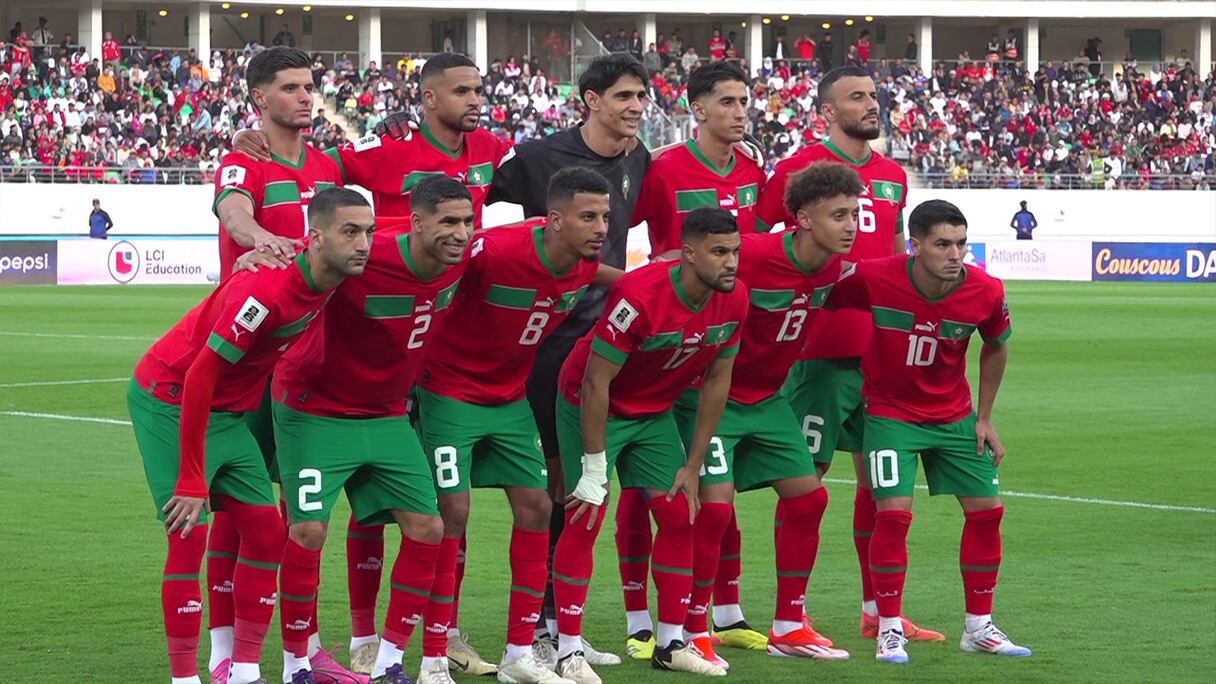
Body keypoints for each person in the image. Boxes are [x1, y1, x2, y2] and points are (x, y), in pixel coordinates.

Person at [127, 187, 371, 684]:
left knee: (265, 531)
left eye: (367, 231)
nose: (363, 243)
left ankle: (243, 671)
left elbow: (407, 233)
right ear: (316, 238)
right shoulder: (266, 291)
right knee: (188, 531)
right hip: (170, 399)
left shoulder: (330, 263)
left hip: (227, 413)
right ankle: (184, 678)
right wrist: (192, 480)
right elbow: (199, 376)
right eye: (351, 232)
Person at [757, 65, 945, 644]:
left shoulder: (892, 176)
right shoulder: (796, 170)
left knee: (880, 486)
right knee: (805, 485)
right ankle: (791, 614)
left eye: (873, 95)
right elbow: (764, 247)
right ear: (827, 111)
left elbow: (897, 255)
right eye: (856, 96)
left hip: (881, 354)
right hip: (818, 352)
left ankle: (878, 612)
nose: (870, 103)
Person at [416, 168, 619, 684]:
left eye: (605, 216)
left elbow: (599, 275)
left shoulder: (582, 265)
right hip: (449, 390)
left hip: (509, 398)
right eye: (589, 216)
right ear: (554, 220)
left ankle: (517, 655)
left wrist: (650, 277)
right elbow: (433, 255)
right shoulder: (495, 251)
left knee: (537, 507)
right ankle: (434, 656)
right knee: (452, 513)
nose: (601, 227)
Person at [270, 176, 473, 684]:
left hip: (385, 413)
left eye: (468, 222)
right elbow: (310, 253)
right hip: (314, 408)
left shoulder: (464, 255)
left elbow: (523, 239)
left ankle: (389, 663)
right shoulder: (362, 254)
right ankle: (297, 664)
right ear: (418, 223)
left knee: (428, 527)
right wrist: (262, 249)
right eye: (449, 221)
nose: (461, 232)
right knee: (307, 530)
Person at [486, 53, 652, 669]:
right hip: (539, 343)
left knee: (576, 489)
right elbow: (475, 210)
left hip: (598, 343)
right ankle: (535, 629)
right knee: (550, 489)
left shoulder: (639, 159)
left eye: (641, 97)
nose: (636, 107)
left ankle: (558, 628)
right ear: (591, 100)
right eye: (625, 96)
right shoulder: (536, 158)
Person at [674, 162, 866, 669]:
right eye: (839, 215)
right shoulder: (752, 255)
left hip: (767, 399)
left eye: (854, 213)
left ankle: (788, 625)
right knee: (714, 509)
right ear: (802, 218)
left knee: (809, 499)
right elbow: (677, 272)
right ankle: (693, 629)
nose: (851, 225)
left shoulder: (834, 267)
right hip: (708, 397)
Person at [207, 46, 358, 684]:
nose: (305, 96)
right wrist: (260, 238)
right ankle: (222, 655)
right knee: (238, 510)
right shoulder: (243, 160)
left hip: (312, 362)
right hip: (250, 359)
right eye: (290, 87)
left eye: (309, 85)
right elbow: (233, 213)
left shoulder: (329, 165)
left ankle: (304, 651)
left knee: (305, 513)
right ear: (259, 98)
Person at [823, 199, 1030, 664]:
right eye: (942, 244)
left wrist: (984, 417)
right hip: (890, 415)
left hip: (954, 415)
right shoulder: (875, 277)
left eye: (961, 243)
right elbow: (821, 295)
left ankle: (979, 627)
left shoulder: (986, 290)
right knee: (893, 516)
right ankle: (888, 628)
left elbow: (996, 346)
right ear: (915, 245)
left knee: (987, 513)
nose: (955, 254)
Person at [552, 207, 747, 683]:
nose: (731, 263)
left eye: (735, 252)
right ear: (689, 253)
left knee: (680, 514)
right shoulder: (640, 296)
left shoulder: (735, 298)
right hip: (591, 403)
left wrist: (694, 463)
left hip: (653, 411)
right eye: (719, 252)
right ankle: (568, 650)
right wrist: (593, 468)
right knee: (586, 515)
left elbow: (717, 380)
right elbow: (596, 380)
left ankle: (670, 643)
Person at [618, 60, 768, 659]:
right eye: (727, 102)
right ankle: (639, 620)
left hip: (722, 339)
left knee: (714, 494)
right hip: (663, 345)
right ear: (697, 110)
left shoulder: (754, 170)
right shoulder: (663, 170)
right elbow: (617, 231)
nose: (740, 112)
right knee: (645, 489)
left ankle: (721, 613)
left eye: (744, 101)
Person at [238, 53, 511, 233]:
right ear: (429, 98)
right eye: (461, 92)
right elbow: (313, 165)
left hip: (462, 289)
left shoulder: (488, 145)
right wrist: (243, 137)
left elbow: (533, 164)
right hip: (396, 288)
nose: (475, 101)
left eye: (478, 91)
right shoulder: (392, 144)